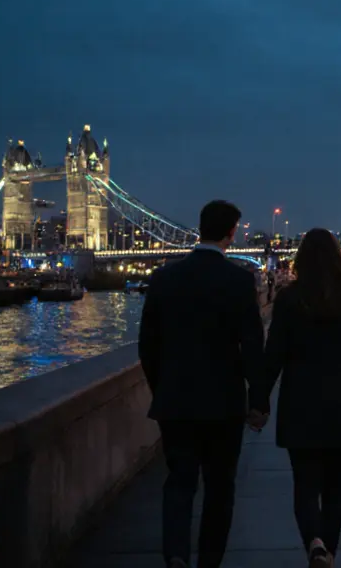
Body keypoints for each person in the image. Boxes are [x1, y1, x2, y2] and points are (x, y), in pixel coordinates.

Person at [138, 200, 268, 568]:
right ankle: (209, 562)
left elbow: (147, 345)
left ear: (199, 229)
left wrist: (160, 386)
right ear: (232, 232)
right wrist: (258, 401)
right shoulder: (240, 281)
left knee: (179, 483)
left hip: (175, 401)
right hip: (223, 404)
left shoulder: (164, 277)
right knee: (219, 489)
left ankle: (177, 555)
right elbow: (253, 347)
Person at [253, 228, 341, 567]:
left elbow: (273, 354)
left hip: (300, 401)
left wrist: (260, 402)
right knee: (335, 486)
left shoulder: (290, 299)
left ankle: (314, 543)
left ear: (301, 259)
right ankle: (329, 553)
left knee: (305, 484)